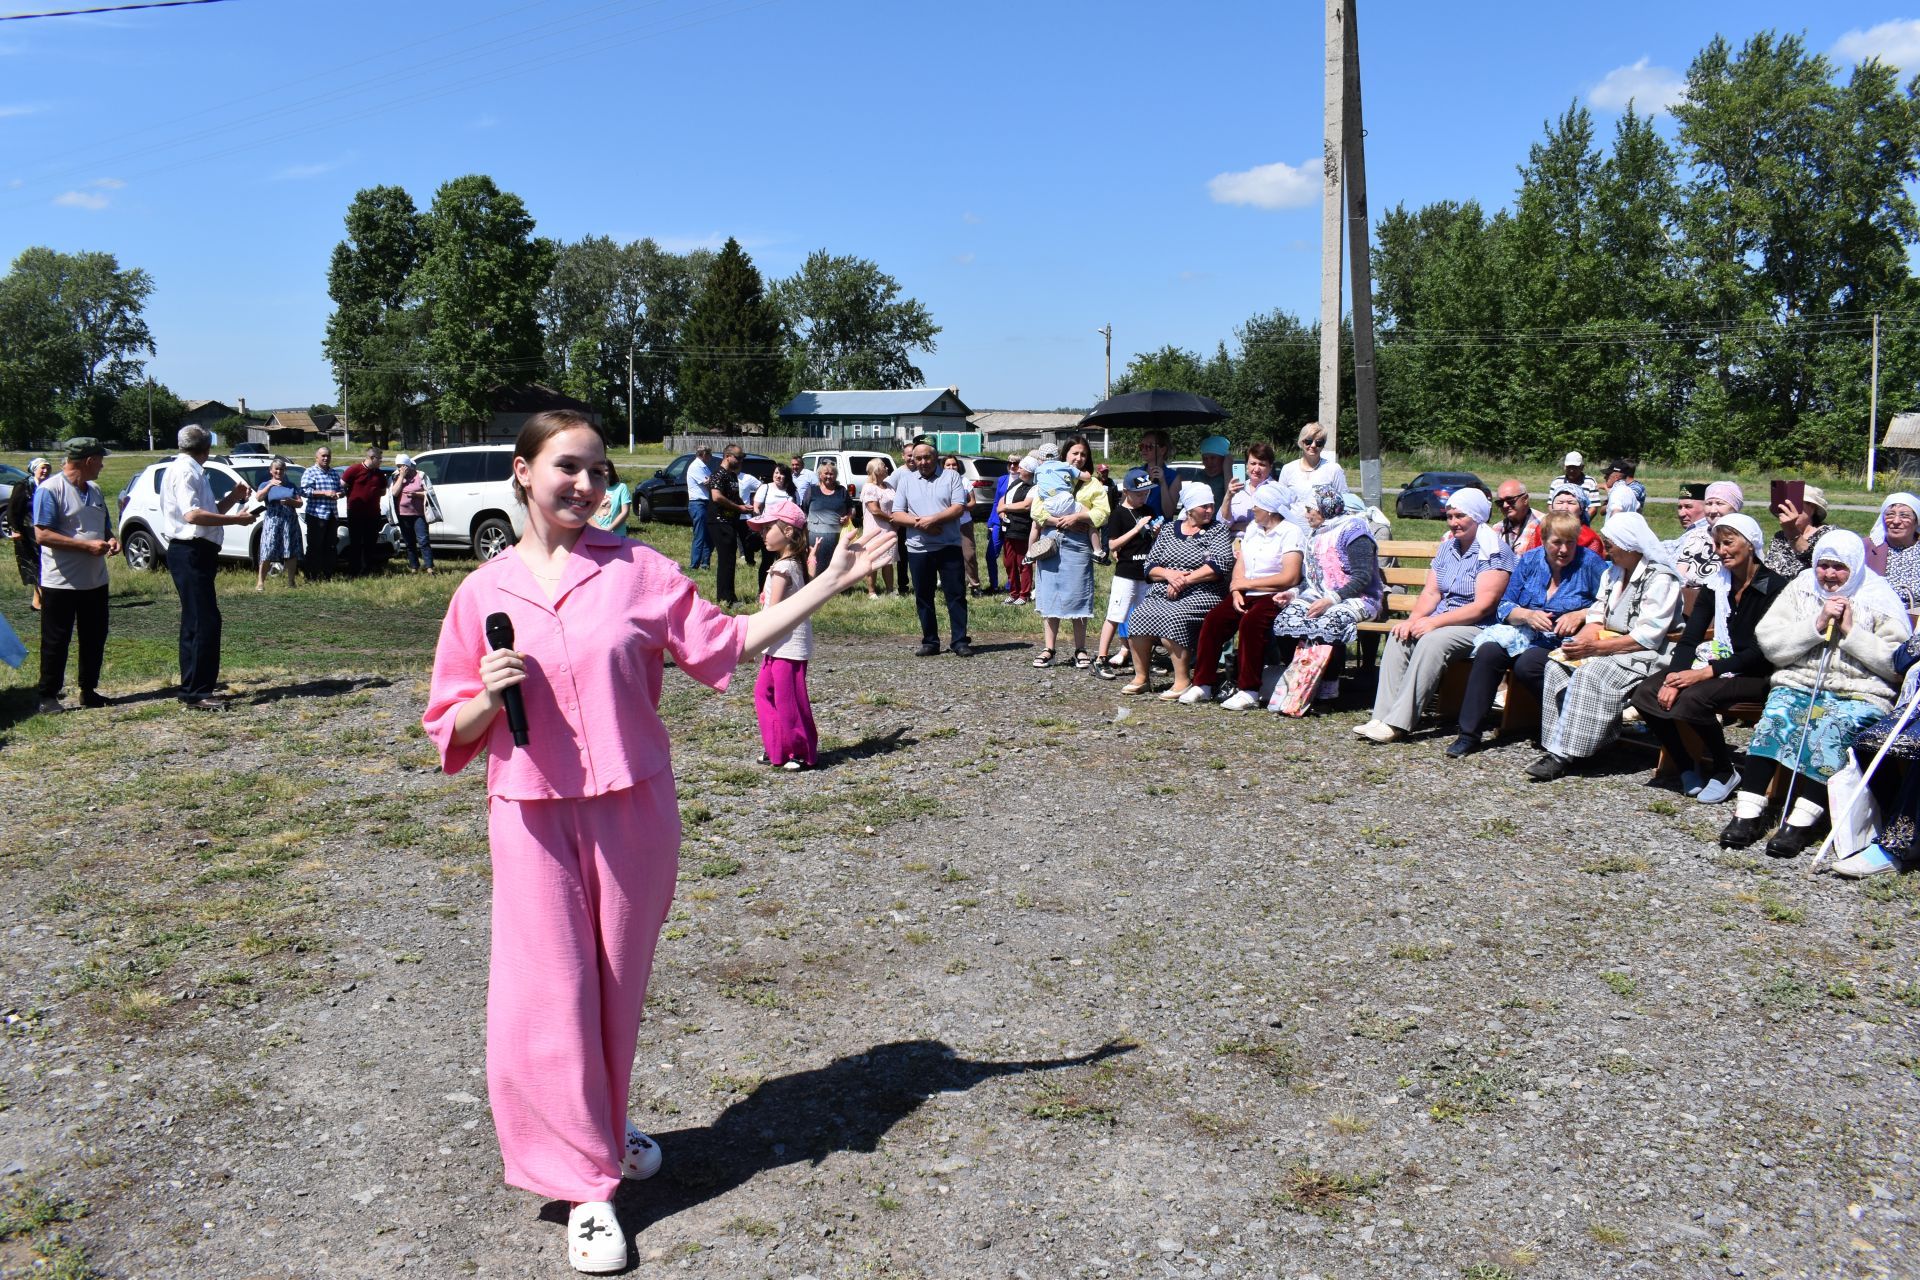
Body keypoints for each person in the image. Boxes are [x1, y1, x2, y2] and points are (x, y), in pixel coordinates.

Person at [421, 410, 895, 1274]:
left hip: (634, 809)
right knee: (546, 1000)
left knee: (611, 990)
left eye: (600, 471)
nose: (588, 486)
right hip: (531, 814)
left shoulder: (639, 569)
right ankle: (589, 1188)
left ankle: (597, 1128)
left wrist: (831, 580)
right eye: (569, 467)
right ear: (524, 472)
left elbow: (727, 642)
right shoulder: (479, 593)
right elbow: (448, 723)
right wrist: (487, 698)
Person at [1720, 530, 1909, 857]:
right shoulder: (1802, 587)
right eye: (1824, 565)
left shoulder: (1878, 596)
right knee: (1776, 718)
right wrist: (1816, 624)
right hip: (1800, 681)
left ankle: (1801, 822)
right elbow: (1770, 643)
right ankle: (1747, 812)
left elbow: (1897, 662)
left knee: (1830, 729)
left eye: (1839, 567)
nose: (1830, 575)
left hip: (1858, 691)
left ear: (1854, 565)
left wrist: (1851, 632)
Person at [1629, 512, 1785, 802]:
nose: (1721, 551)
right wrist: (1674, 678)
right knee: (1645, 693)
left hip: (1758, 672)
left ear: (1750, 544)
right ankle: (1685, 763)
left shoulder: (1774, 588)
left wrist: (1703, 673)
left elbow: (1759, 651)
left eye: (1728, 543)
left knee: (1694, 697)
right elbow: (1691, 637)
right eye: (1717, 544)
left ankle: (1725, 769)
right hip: (1719, 662)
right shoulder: (1717, 583)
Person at [1525, 512, 1682, 781]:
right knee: (1557, 664)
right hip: (1609, 644)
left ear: (1629, 543)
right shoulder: (1613, 573)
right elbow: (1597, 617)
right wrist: (1579, 644)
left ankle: (1566, 754)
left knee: (1590, 674)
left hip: (1648, 653)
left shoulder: (1660, 578)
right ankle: (1557, 743)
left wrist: (1595, 650)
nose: (1605, 546)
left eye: (1610, 542)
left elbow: (1648, 636)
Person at [1354, 489, 1515, 743]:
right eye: (1450, 516)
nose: (1453, 522)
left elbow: (1483, 606)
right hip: (1443, 620)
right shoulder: (1447, 548)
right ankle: (1382, 715)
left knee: (1432, 641)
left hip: (1478, 626)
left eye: (1460, 516)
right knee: (1400, 636)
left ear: (1476, 517)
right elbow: (1431, 593)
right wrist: (1412, 620)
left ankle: (1399, 723)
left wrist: (1433, 622)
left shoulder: (1495, 552)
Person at [1444, 511, 1605, 757]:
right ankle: (1469, 735)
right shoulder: (1529, 561)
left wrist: (1581, 614)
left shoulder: (1590, 563)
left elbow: (1607, 603)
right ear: (1543, 540)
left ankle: (1564, 724)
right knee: (1488, 652)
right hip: (1524, 633)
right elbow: (1505, 605)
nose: (1564, 549)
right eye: (1557, 543)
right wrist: (1527, 615)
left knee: (1528, 664)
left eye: (1570, 542)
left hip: (1563, 640)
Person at [161, 426, 257, 708]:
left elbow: (208, 510)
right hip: (190, 551)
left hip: (196, 552)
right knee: (204, 621)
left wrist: (232, 497)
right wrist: (236, 520)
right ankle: (198, 692)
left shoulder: (189, 469)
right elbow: (192, 515)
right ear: (206, 447)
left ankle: (193, 687)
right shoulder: (186, 472)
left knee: (197, 620)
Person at [1185, 481, 1303, 707]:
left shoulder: (1290, 532)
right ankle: (1203, 684)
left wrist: (1249, 583)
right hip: (1246, 590)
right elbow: (1242, 561)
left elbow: (1290, 576)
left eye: (1256, 507)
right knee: (1214, 620)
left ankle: (1249, 689)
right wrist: (1237, 588)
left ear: (1269, 509)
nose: (1253, 510)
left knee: (1251, 624)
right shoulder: (1253, 529)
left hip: (1275, 594)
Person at [1269, 486, 1387, 713]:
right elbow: (1312, 579)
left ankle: (1328, 691)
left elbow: (1362, 577)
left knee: (1328, 622)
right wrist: (1292, 594)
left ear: (1324, 509)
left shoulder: (1354, 531)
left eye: (1310, 509)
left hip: (1358, 597)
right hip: (1320, 595)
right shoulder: (1317, 533)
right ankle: (1300, 681)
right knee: (1287, 619)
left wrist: (1332, 599)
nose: (1306, 514)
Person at [1122, 481, 1233, 698]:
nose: (1210, 510)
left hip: (1204, 592)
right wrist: (1169, 575)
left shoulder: (1217, 530)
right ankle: (1141, 677)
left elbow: (1220, 564)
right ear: (1190, 508)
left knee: (1174, 617)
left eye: (1211, 505)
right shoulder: (1170, 529)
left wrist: (1185, 581)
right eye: (1204, 506)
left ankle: (1182, 680)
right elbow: (1150, 566)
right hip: (1164, 589)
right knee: (1139, 616)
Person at [32, 438, 117, 714]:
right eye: (100, 460)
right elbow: (42, 534)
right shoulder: (50, 490)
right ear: (89, 461)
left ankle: (88, 690)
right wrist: (85, 546)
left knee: (94, 636)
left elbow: (104, 526)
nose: (102, 465)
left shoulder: (94, 489)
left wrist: (110, 539)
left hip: (95, 580)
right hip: (61, 581)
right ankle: (48, 695)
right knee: (56, 640)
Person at [748, 498, 818, 771]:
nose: (763, 534)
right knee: (764, 692)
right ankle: (777, 745)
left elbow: (772, 614)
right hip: (778, 646)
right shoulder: (791, 564)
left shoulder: (782, 568)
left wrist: (752, 643)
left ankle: (798, 750)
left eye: (768, 528)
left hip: (785, 646)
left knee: (787, 699)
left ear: (788, 531)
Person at [1030, 438, 1109, 668]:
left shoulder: (1091, 483)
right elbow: (1037, 512)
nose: (1079, 458)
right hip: (1051, 543)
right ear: (1065, 454)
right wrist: (1061, 521)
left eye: (1083, 454)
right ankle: (1049, 648)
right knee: (1049, 593)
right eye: (1075, 453)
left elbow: (1102, 513)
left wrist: (1078, 517)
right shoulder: (1047, 475)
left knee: (1079, 594)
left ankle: (1080, 649)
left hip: (1078, 545)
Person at [892, 440, 972, 656]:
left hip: (949, 545)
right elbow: (897, 514)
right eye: (918, 458)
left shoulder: (951, 476)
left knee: (955, 595)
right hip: (919, 548)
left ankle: (960, 641)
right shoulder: (906, 481)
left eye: (927, 457)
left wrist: (933, 520)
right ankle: (930, 641)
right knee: (923, 596)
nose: (923, 462)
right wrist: (923, 524)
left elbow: (958, 508)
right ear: (912, 460)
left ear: (935, 457)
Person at [1092, 472, 1159, 676]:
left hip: (1146, 572)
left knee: (1144, 616)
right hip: (1126, 572)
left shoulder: (1148, 510)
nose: (1143, 498)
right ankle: (1100, 658)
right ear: (1127, 492)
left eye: (1146, 493)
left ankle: (1144, 658)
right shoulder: (1118, 514)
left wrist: (1155, 532)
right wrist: (1137, 528)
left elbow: (1152, 539)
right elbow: (1112, 544)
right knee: (1116, 614)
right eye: (1139, 494)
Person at [1276, 424, 1346, 526]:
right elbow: (1280, 502)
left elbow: (1344, 501)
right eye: (1308, 441)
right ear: (1301, 442)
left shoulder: (1334, 469)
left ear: (1323, 445)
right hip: (1293, 530)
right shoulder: (1288, 469)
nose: (1313, 445)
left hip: (1324, 531)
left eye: (1319, 442)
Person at [706, 448, 751, 607]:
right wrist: (739, 508)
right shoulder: (718, 474)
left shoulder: (732, 475)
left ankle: (727, 596)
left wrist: (743, 505)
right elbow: (716, 496)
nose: (740, 461)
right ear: (727, 456)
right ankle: (727, 598)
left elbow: (733, 496)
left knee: (730, 558)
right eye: (738, 458)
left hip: (730, 521)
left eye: (742, 458)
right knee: (726, 560)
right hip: (719, 521)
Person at [256, 457, 306, 590]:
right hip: (273, 520)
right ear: (271, 471)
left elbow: (300, 503)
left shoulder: (291, 485)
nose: (279, 471)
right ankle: (260, 582)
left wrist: (290, 501)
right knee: (268, 549)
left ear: (285, 470)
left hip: (289, 521)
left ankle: (291, 582)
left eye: (282, 469)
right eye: (276, 469)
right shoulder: (265, 484)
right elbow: (259, 498)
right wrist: (270, 485)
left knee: (290, 550)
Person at [1863, 492, 1920, 609]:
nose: (1896, 521)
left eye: (1904, 516)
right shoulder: (1866, 548)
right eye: (1890, 514)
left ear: (1916, 521)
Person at [1762, 484, 1831, 578]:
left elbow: (1819, 565)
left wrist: (1792, 532)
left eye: (1795, 505)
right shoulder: (1780, 537)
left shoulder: (1828, 534)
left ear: (1812, 508)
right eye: (1784, 506)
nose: (1789, 510)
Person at [9, 456, 49, 611]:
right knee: (34, 564)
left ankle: (37, 601)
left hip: (46, 530)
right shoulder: (23, 486)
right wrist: (16, 530)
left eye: (48, 468)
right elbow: (12, 509)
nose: (45, 471)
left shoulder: (50, 485)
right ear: (34, 469)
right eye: (42, 468)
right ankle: (41, 600)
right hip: (27, 530)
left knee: (43, 564)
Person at [940, 455, 985, 594]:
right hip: (946, 524)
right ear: (943, 467)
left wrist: (960, 507)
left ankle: (974, 585)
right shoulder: (939, 482)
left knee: (969, 554)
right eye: (948, 465)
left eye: (954, 464)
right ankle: (949, 583)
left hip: (964, 523)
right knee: (946, 555)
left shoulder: (964, 481)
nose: (951, 467)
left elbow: (972, 502)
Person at [803, 460, 854, 582]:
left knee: (836, 561)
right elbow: (803, 511)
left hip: (837, 535)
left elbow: (851, 508)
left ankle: (836, 585)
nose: (828, 476)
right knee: (816, 561)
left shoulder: (842, 491)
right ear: (820, 475)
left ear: (835, 476)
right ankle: (813, 583)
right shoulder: (812, 491)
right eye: (825, 473)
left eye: (831, 474)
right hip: (814, 534)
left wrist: (848, 517)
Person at [340, 446, 387, 576]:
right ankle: (354, 570)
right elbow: (342, 484)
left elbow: (383, 491)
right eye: (379, 459)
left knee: (370, 542)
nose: (380, 462)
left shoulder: (379, 473)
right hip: (356, 513)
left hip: (373, 513)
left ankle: (367, 570)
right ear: (372, 458)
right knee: (355, 542)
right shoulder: (354, 470)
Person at [996, 454, 1036, 606]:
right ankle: (1013, 592)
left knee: (1023, 563)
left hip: (1022, 529)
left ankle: (1024, 594)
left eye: (1022, 468)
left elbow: (1026, 505)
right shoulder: (1016, 482)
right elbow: (1003, 498)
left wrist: (1005, 507)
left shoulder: (1033, 486)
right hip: (1008, 528)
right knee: (1009, 563)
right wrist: (1002, 511)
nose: (1018, 470)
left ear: (1029, 471)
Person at [386, 454, 435, 576]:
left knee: (423, 540)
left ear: (408, 465)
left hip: (419, 514)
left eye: (402, 466)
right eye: (398, 467)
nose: (400, 469)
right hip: (403, 514)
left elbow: (429, 494)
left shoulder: (421, 476)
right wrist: (401, 476)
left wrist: (416, 494)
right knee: (409, 542)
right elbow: (395, 493)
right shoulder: (395, 477)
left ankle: (429, 567)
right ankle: (414, 566)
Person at [300, 446, 344, 581]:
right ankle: (311, 576)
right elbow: (304, 491)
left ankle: (327, 574)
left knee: (330, 546)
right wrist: (324, 493)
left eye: (328, 456)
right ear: (317, 457)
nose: (326, 458)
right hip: (316, 515)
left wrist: (339, 493)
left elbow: (341, 490)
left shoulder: (334, 473)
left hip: (332, 515)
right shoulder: (310, 472)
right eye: (323, 456)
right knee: (315, 546)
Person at [1668, 482, 1719, 596]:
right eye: (1679, 507)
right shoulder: (1693, 530)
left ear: (1706, 507)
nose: (1681, 513)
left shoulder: (1702, 533)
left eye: (1688, 507)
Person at [855, 459, 896, 598]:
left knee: (888, 561)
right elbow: (874, 510)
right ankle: (872, 591)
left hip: (890, 528)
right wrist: (892, 519)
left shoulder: (889, 486)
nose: (887, 468)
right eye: (884, 466)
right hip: (875, 529)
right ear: (877, 470)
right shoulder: (869, 488)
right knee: (873, 561)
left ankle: (890, 590)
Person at [1219, 442, 1280, 535]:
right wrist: (1228, 496)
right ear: (1247, 465)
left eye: (1262, 464)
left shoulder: (1277, 491)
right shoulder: (1236, 488)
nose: (1256, 469)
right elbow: (1223, 525)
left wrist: (1237, 526)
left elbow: (1279, 525)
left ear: (1270, 467)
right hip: (1234, 545)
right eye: (1253, 463)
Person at [1125, 427, 1179, 520]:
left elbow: (1169, 513)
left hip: (1160, 530)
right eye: (1142, 446)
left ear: (1162, 450)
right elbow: (1125, 505)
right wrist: (1148, 480)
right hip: (1136, 528)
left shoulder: (1174, 477)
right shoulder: (1134, 473)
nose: (1144, 450)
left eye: (1149, 446)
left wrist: (1163, 483)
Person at [1545, 481, 1605, 555]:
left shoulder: (1590, 538)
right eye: (1560, 502)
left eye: (1571, 503)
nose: (1564, 507)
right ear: (1552, 506)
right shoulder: (1541, 530)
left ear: (1581, 509)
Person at [685, 444, 714, 571]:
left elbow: (711, 482)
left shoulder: (704, 467)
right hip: (698, 503)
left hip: (706, 503)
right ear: (703, 455)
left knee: (709, 535)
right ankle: (694, 565)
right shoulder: (696, 467)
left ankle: (705, 563)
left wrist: (712, 482)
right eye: (709, 454)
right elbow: (708, 484)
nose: (711, 457)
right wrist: (712, 482)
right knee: (700, 534)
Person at [1493, 480, 1542, 555]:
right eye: (1500, 502)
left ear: (1525, 499)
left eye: (1510, 500)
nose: (1505, 505)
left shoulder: (1544, 524)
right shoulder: (1497, 529)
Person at [592, 462, 631, 533]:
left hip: (616, 535)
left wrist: (608, 529)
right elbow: (587, 513)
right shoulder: (592, 488)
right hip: (594, 533)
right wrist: (598, 529)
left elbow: (625, 512)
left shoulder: (621, 487)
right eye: (600, 471)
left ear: (611, 472)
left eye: (606, 470)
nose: (603, 473)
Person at [1196, 435, 1232, 507]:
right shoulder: (1199, 477)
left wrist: (1227, 470)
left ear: (1223, 459)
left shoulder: (1233, 477)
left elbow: (1232, 502)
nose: (1209, 463)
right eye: (1205, 459)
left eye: (1213, 458)